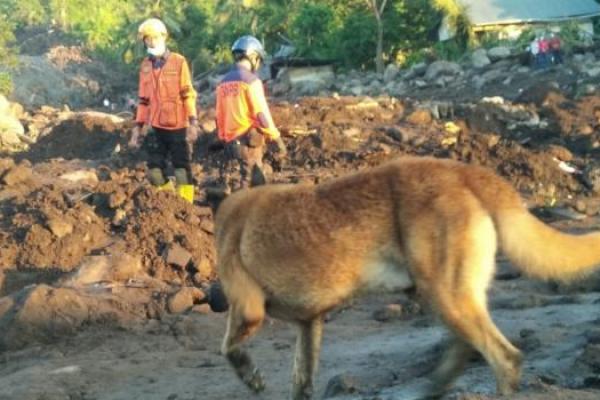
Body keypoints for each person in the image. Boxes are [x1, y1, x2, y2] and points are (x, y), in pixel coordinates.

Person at [128, 18, 199, 203]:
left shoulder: (178, 62)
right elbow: (143, 101)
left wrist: (193, 123)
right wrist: (137, 128)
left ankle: (185, 204)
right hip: (157, 127)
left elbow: (187, 94)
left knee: (181, 168)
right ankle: (168, 200)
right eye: (147, 38)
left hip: (178, 127)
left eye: (154, 37)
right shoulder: (145, 66)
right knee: (153, 170)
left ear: (164, 36)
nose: (151, 41)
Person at [215, 35, 287, 191]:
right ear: (253, 56)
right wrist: (276, 139)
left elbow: (219, 117)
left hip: (230, 144)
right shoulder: (251, 81)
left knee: (235, 184)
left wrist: (222, 138)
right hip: (248, 142)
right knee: (256, 187)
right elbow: (261, 115)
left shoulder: (223, 83)